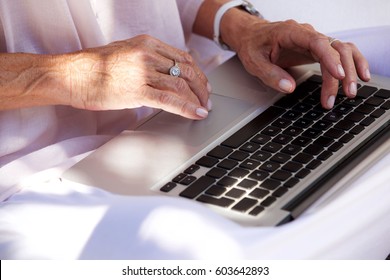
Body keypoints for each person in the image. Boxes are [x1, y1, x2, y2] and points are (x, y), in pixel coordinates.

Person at [0, 0, 389, 259]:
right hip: (41, 168)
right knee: (225, 252)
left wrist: (242, 27)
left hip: (203, 92)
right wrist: (67, 74)